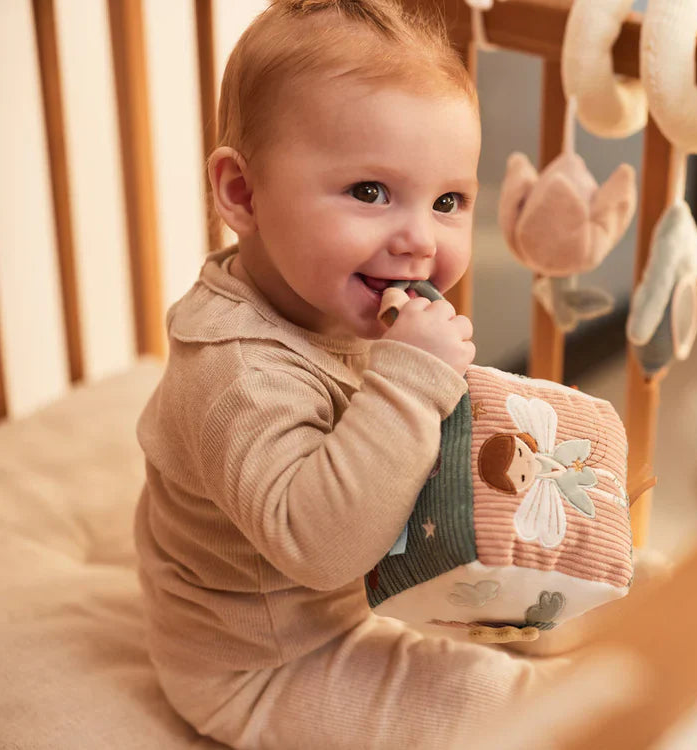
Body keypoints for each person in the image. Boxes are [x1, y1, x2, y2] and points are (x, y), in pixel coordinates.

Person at [133, 2, 563, 747]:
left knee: (573, 602)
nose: (419, 240)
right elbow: (324, 545)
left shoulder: (336, 302)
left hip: (357, 603)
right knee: (513, 707)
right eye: (370, 192)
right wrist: (410, 383)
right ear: (242, 193)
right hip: (259, 667)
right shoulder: (236, 375)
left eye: (448, 201)